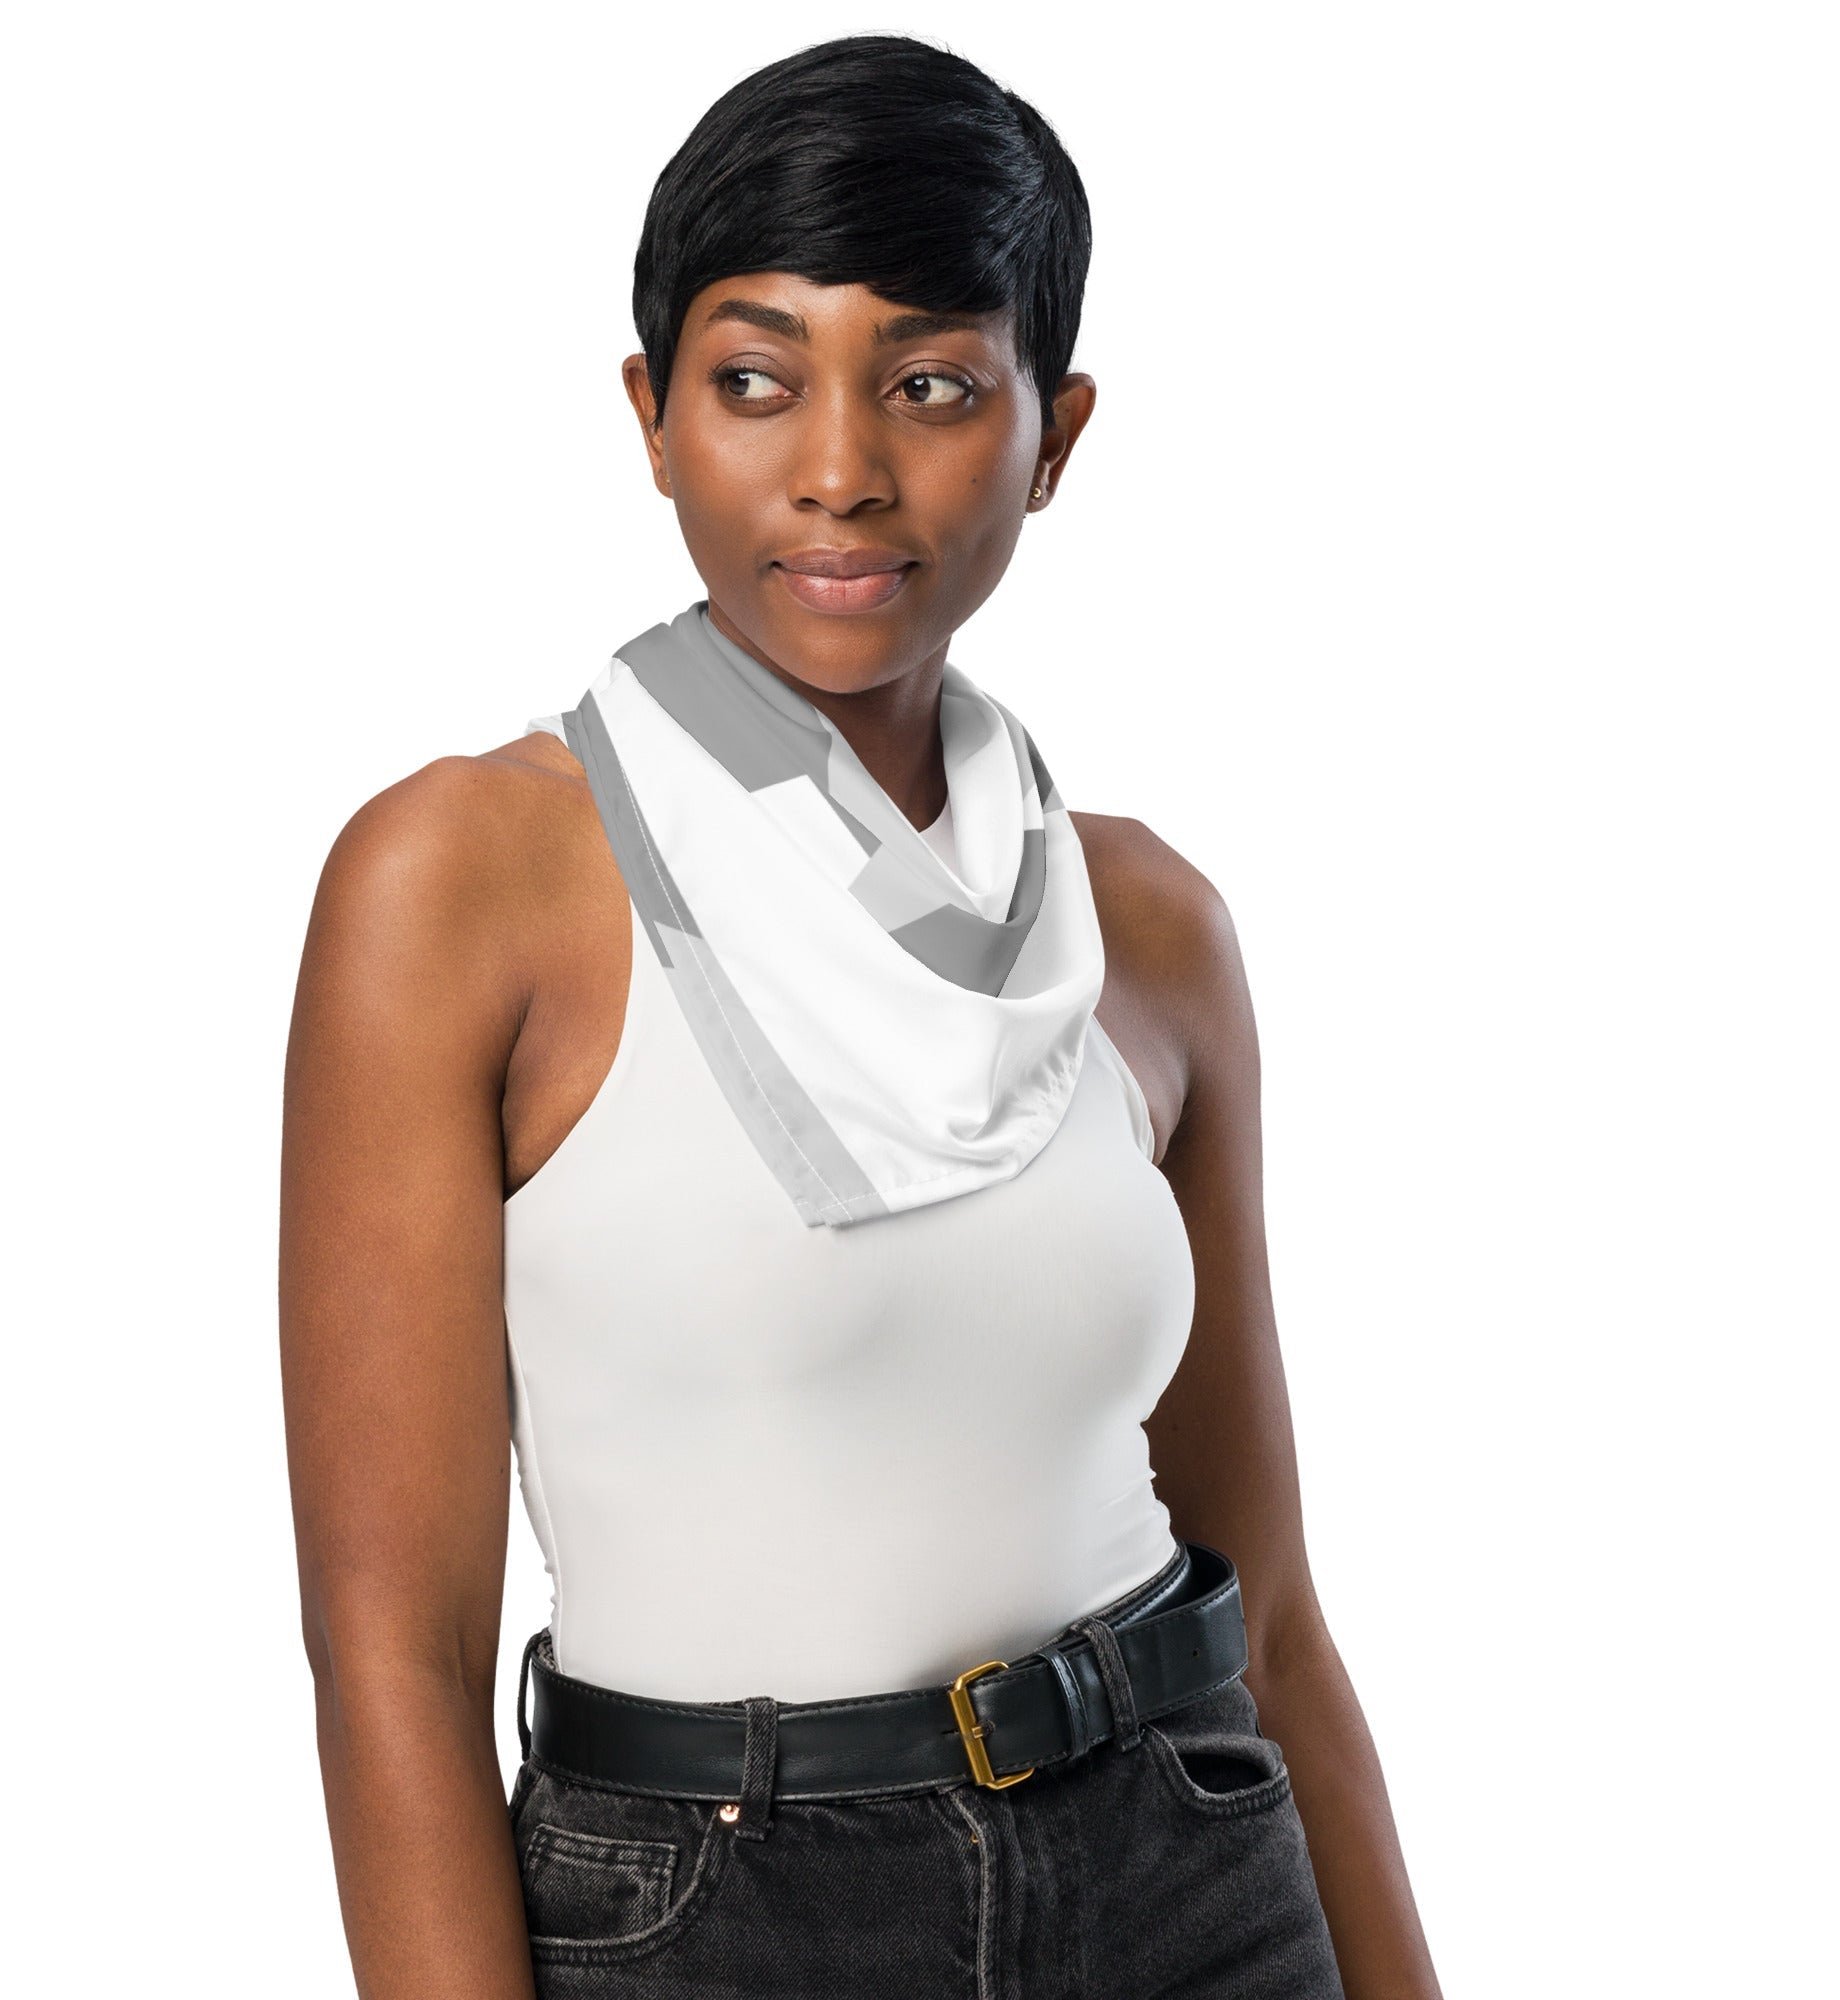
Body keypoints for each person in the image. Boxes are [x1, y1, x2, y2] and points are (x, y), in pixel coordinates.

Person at [281, 33, 1442, 2000]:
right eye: (755, 379)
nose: (838, 467)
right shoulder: (463, 883)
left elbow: (1276, 1614)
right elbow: (391, 1647)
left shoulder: (1147, 930)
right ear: (652, 417)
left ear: (1054, 435)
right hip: (718, 1914)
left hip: (1191, 1874)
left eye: (930, 385)